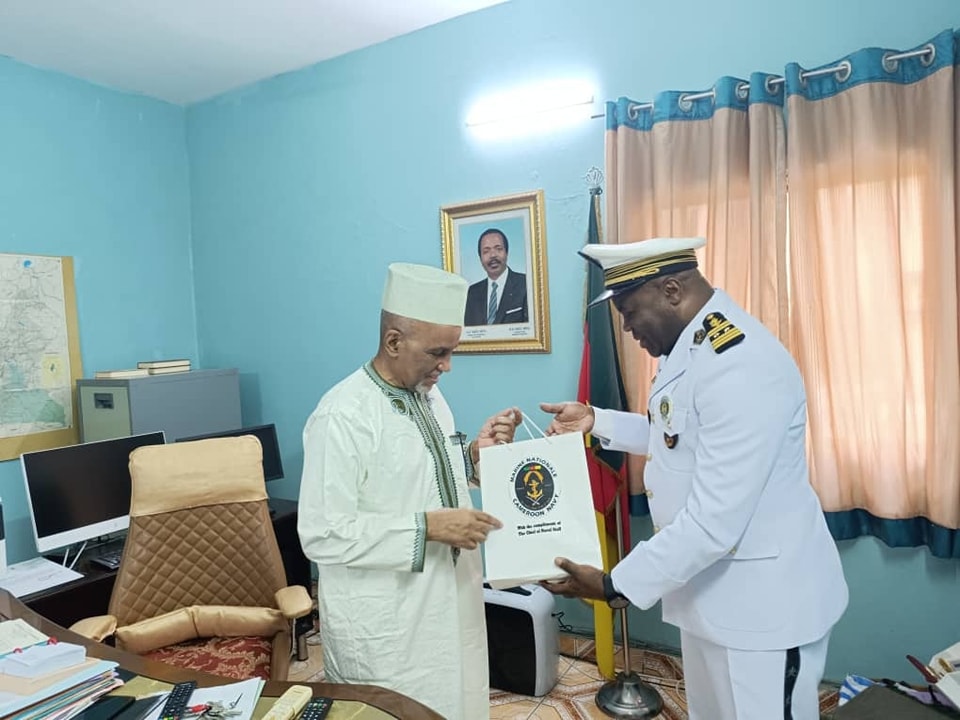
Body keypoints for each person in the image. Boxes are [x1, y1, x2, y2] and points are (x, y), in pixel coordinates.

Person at [538, 237, 848, 720]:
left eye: (628, 310)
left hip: (763, 610)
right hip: (714, 599)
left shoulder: (739, 363)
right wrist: (598, 420)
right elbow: (678, 437)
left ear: (672, 290)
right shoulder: (696, 348)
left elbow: (714, 521)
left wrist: (613, 584)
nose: (625, 326)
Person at [298, 262, 522, 720]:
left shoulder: (430, 394)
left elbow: (423, 477)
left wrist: (478, 455)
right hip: (388, 622)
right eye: (438, 351)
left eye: (453, 350)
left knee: (457, 702)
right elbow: (322, 533)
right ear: (394, 341)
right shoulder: (342, 415)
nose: (447, 365)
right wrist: (429, 528)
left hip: (449, 600)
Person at [464, 228, 528, 325]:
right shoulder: (471, 293)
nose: (493, 255)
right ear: (480, 258)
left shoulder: (526, 284)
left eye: (498, 249)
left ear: (507, 253)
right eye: (486, 251)